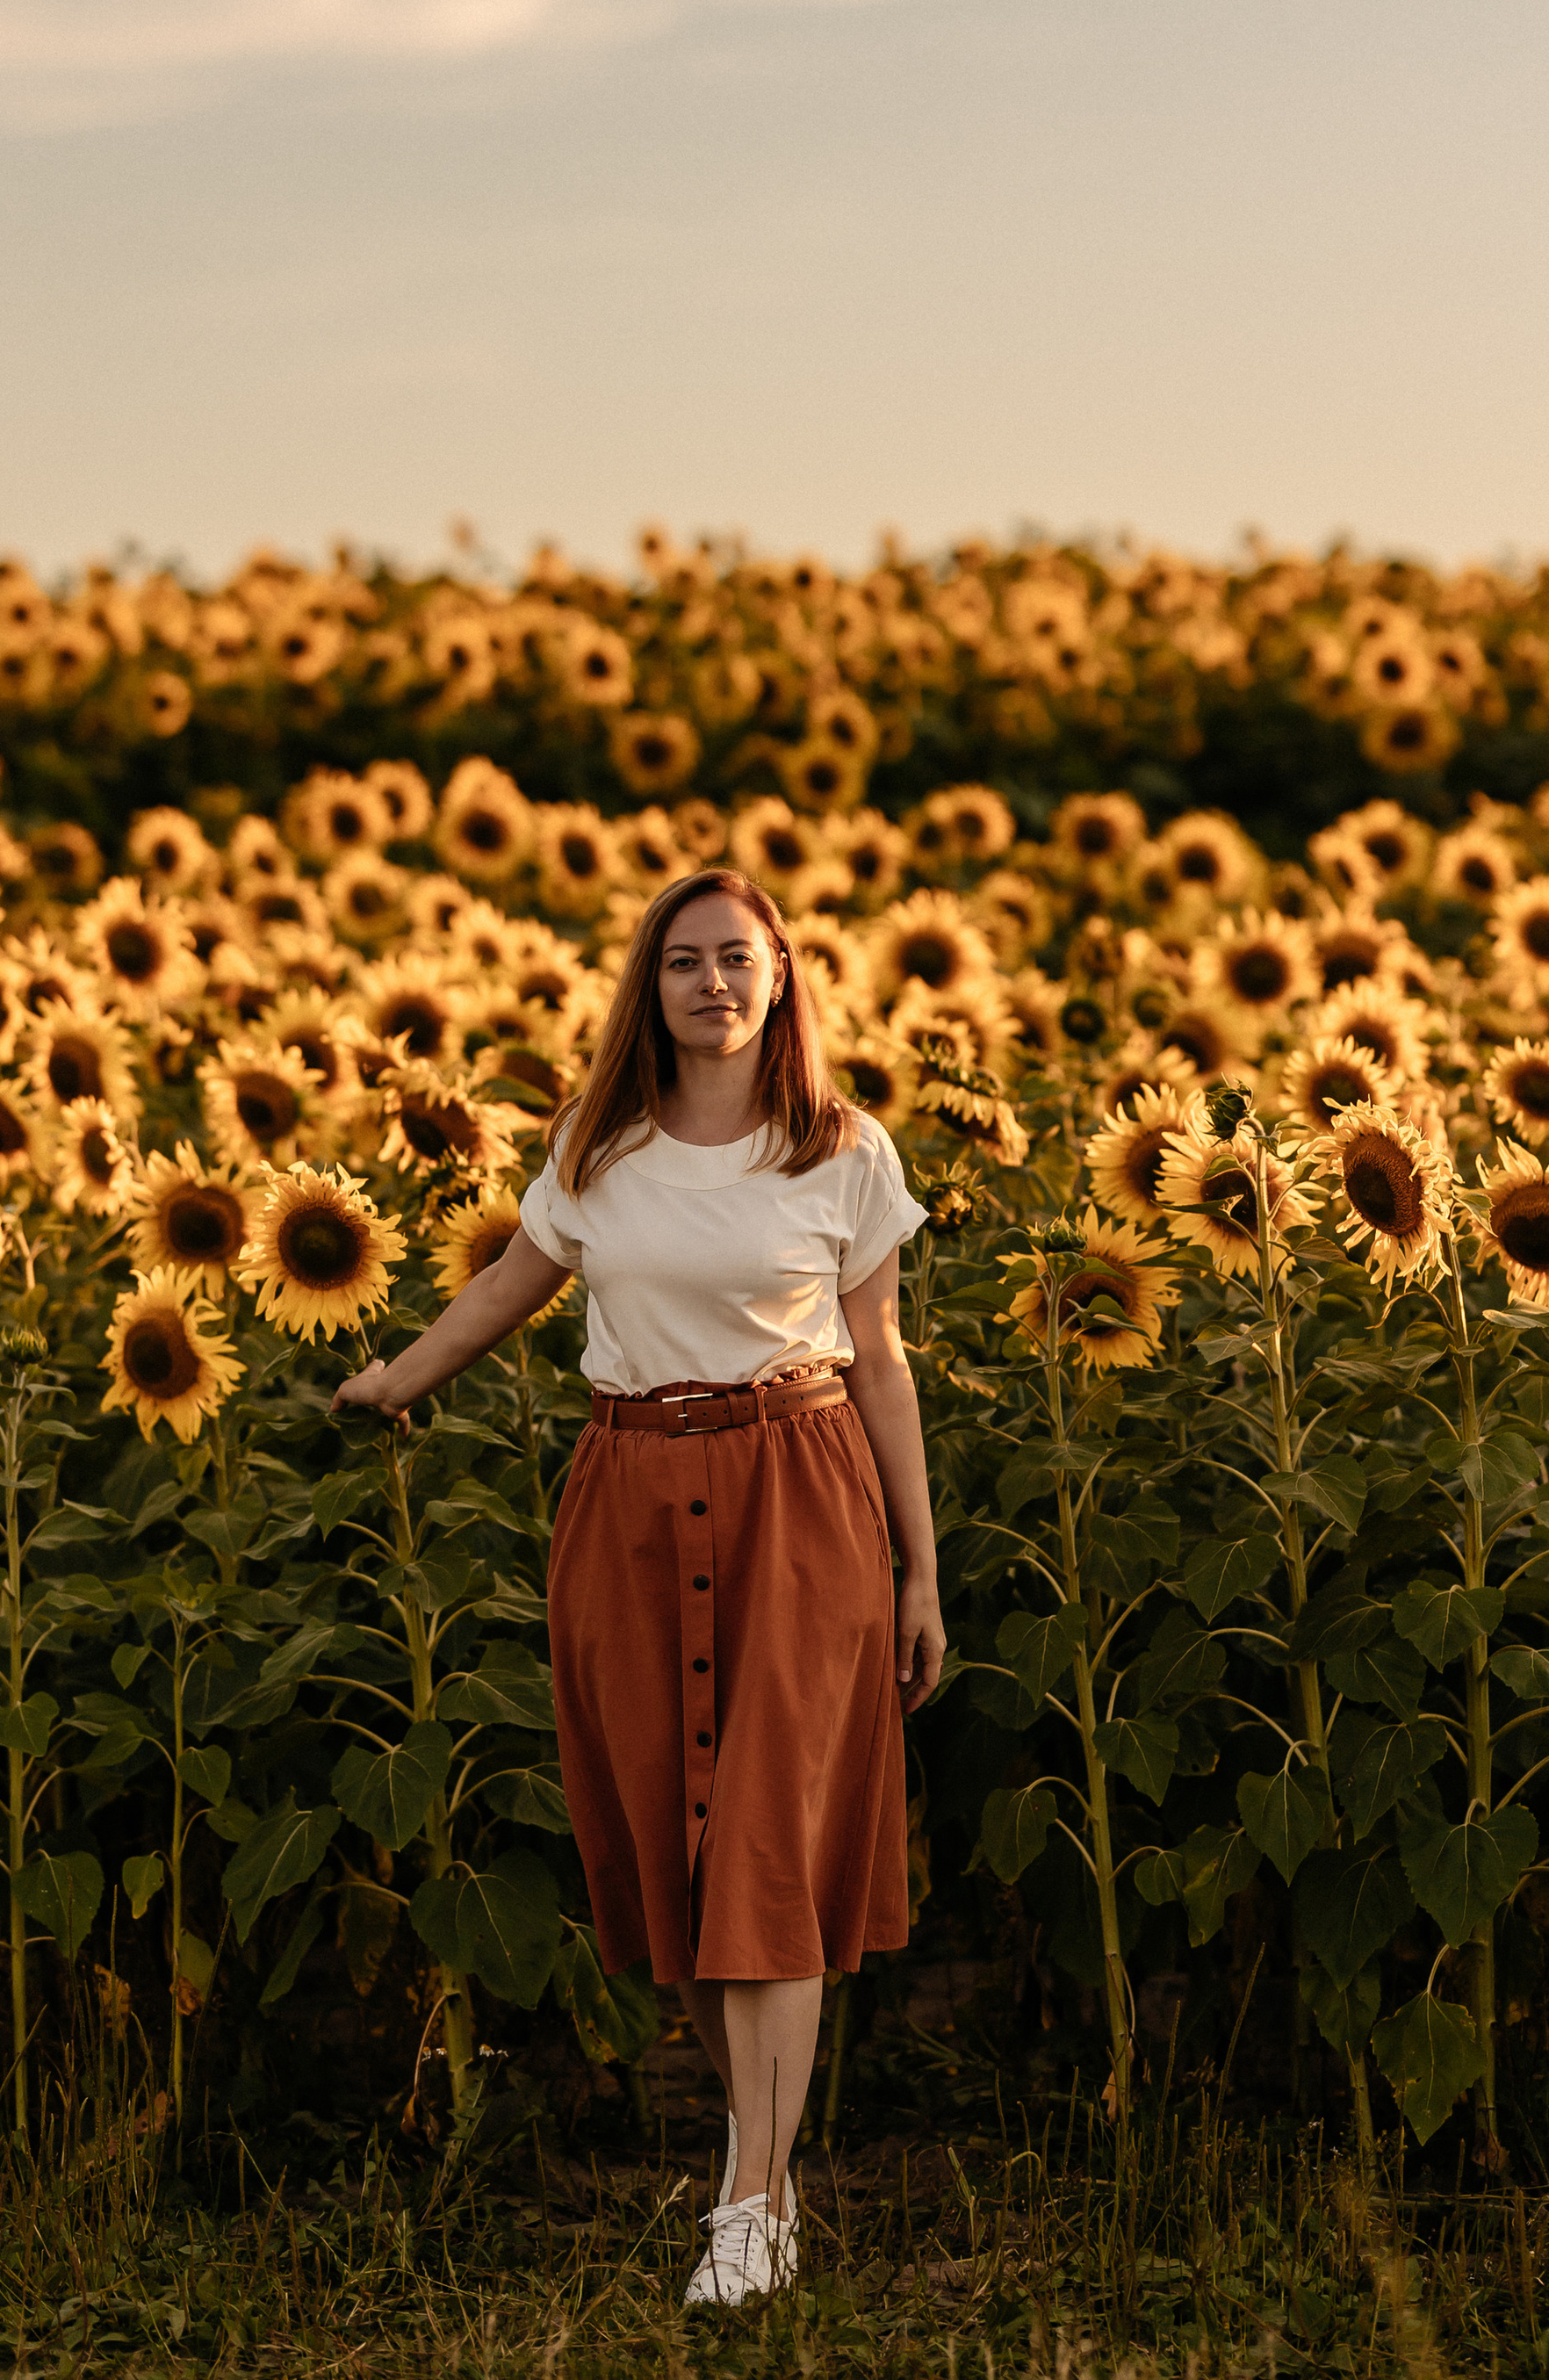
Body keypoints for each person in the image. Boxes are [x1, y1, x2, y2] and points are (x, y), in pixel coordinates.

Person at [333, 862, 946, 2305]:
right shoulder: (596, 1147)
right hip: (625, 1499)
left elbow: (885, 1364)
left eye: (740, 958)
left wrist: (923, 1570)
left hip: (798, 1492)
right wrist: (394, 1380)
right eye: (686, 961)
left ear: (783, 977)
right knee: (677, 1845)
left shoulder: (842, 1149)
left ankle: (748, 2207)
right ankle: (767, 2173)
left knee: (766, 1844)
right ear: (650, 987)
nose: (715, 983)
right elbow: (510, 1285)